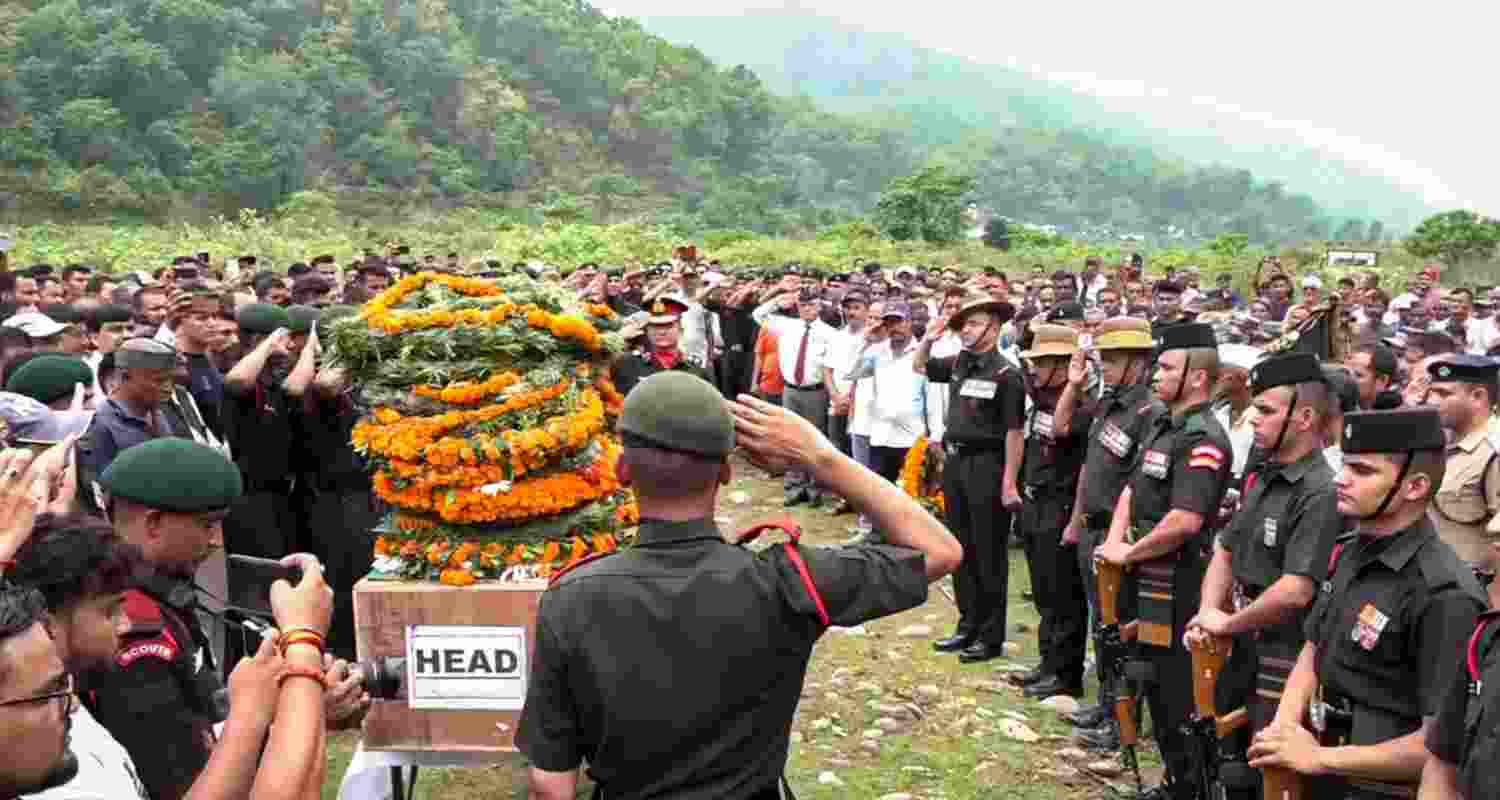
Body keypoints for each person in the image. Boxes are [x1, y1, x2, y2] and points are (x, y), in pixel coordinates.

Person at [515, 372, 961, 799]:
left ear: (622, 470)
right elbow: (941, 550)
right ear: (726, 473)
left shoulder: (571, 599)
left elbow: (551, 785)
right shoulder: (790, 582)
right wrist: (821, 458)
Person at [1248, 408, 1485, 799]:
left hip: (1377, 786)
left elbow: (1439, 747)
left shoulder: (1445, 594)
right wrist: (1285, 724)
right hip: (1320, 764)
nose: (1341, 480)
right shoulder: (1349, 551)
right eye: (1344, 465)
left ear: (1414, 487)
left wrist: (1321, 759)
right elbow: (1315, 644)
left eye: (1363, 471)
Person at [1186, 352, 1342, 783]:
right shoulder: (1264, 473)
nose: (1254, 418)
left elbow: (1295, 590)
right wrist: (1207, 611)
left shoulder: (1320, 491)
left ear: (1304, 417)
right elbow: (1226, 547)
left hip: (1283, 654)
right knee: (1222, 753)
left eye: (1267, 410)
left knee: (1265, 771)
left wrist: (1226, 622)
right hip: (1240, 637)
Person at [1095, 322, 1234, 800]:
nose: (1156, 375)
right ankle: (1172, 780)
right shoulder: (1161, 422)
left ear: (1197, 378)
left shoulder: (1204, 438)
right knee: (1147, 677)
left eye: (1168, 368)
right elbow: (1134, 487)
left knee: (1177, 692)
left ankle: (1188, 786)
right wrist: (1115, 541)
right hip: (1142, 575)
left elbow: (1185, 520)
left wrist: (1128, 552)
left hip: (1177, 583)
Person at [1060, 316, 1161, 743]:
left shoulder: (1148, 412)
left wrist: (1117, 539)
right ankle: (1105, 705)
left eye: (1114, 359)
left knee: (1121, 630)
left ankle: (1123, 720)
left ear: (1137, 362)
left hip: (1117, 537)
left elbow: (1137, 486)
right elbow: (1083, 457)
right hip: (1090, 530)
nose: (1106, 366)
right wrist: (1075, 519)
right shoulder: (1107, 401)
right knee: (1102, 627)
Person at [914, 296, 1024, 664]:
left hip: (988, 464)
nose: (966, 330)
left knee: (988, 552)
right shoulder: (961, 363)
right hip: (957, 463)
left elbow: (1014, 433)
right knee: (960, 548)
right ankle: (967, 624)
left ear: (994, 328)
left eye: (975, 324)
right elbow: (921, 366)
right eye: (963, 324)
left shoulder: (1007, 374)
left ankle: (990, 636)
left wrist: (1009, 482)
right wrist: (930, 337)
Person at [1010, 324, 1093, 699]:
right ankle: (1047, 663)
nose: (1034, 370)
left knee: (1064, 594)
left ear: (1061, 366)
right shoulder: (1039, 397)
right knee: (1043, 590)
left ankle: (1065, 673)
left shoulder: (1080, 404)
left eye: (1041, 363)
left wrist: (1074, 520)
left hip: (1060, 505)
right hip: (1035, 500)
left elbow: (1066, 443)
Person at [753, 286, 838, 508]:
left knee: (814, 439)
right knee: (790, 439)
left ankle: (814, 487)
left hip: (816, 392)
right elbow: (758, 315)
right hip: (790, 390)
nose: (806, 309)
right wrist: (779, 301)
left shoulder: (830, 333)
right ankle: (794, 486)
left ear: (819, 306)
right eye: (802, 304)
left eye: (811, 304)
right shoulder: (787, 326)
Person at [75, 338, 178, 502]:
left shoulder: (157, 412)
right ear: (124, 376)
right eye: (159, 380)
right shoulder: (100, 424)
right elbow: (99, 496)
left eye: (170, 379)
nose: (168, 388)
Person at [1425, 355, 1500, 566]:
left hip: (1475, 590)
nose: (1432, 401)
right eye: (1433, 392)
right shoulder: (1438, 442)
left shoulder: (1493, 452)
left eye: (1443, 394)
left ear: (1477, 397)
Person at [608, 298, 707, 398]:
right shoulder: (628, 363)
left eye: (668, 325)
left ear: (681, 329)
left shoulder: (695, 368)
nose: (661, 332)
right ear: (647, 330)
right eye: (655, 326)